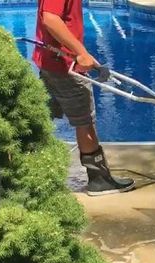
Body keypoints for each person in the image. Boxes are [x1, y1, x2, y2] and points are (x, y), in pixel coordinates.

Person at [33, 0, 135, 196]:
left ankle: (33, 172)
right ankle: (98, 180)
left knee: (43, 117)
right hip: (64, 66)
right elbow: (50, 18)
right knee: (85, 121)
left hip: (53, 62)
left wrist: (85, 54)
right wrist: (80, 53)